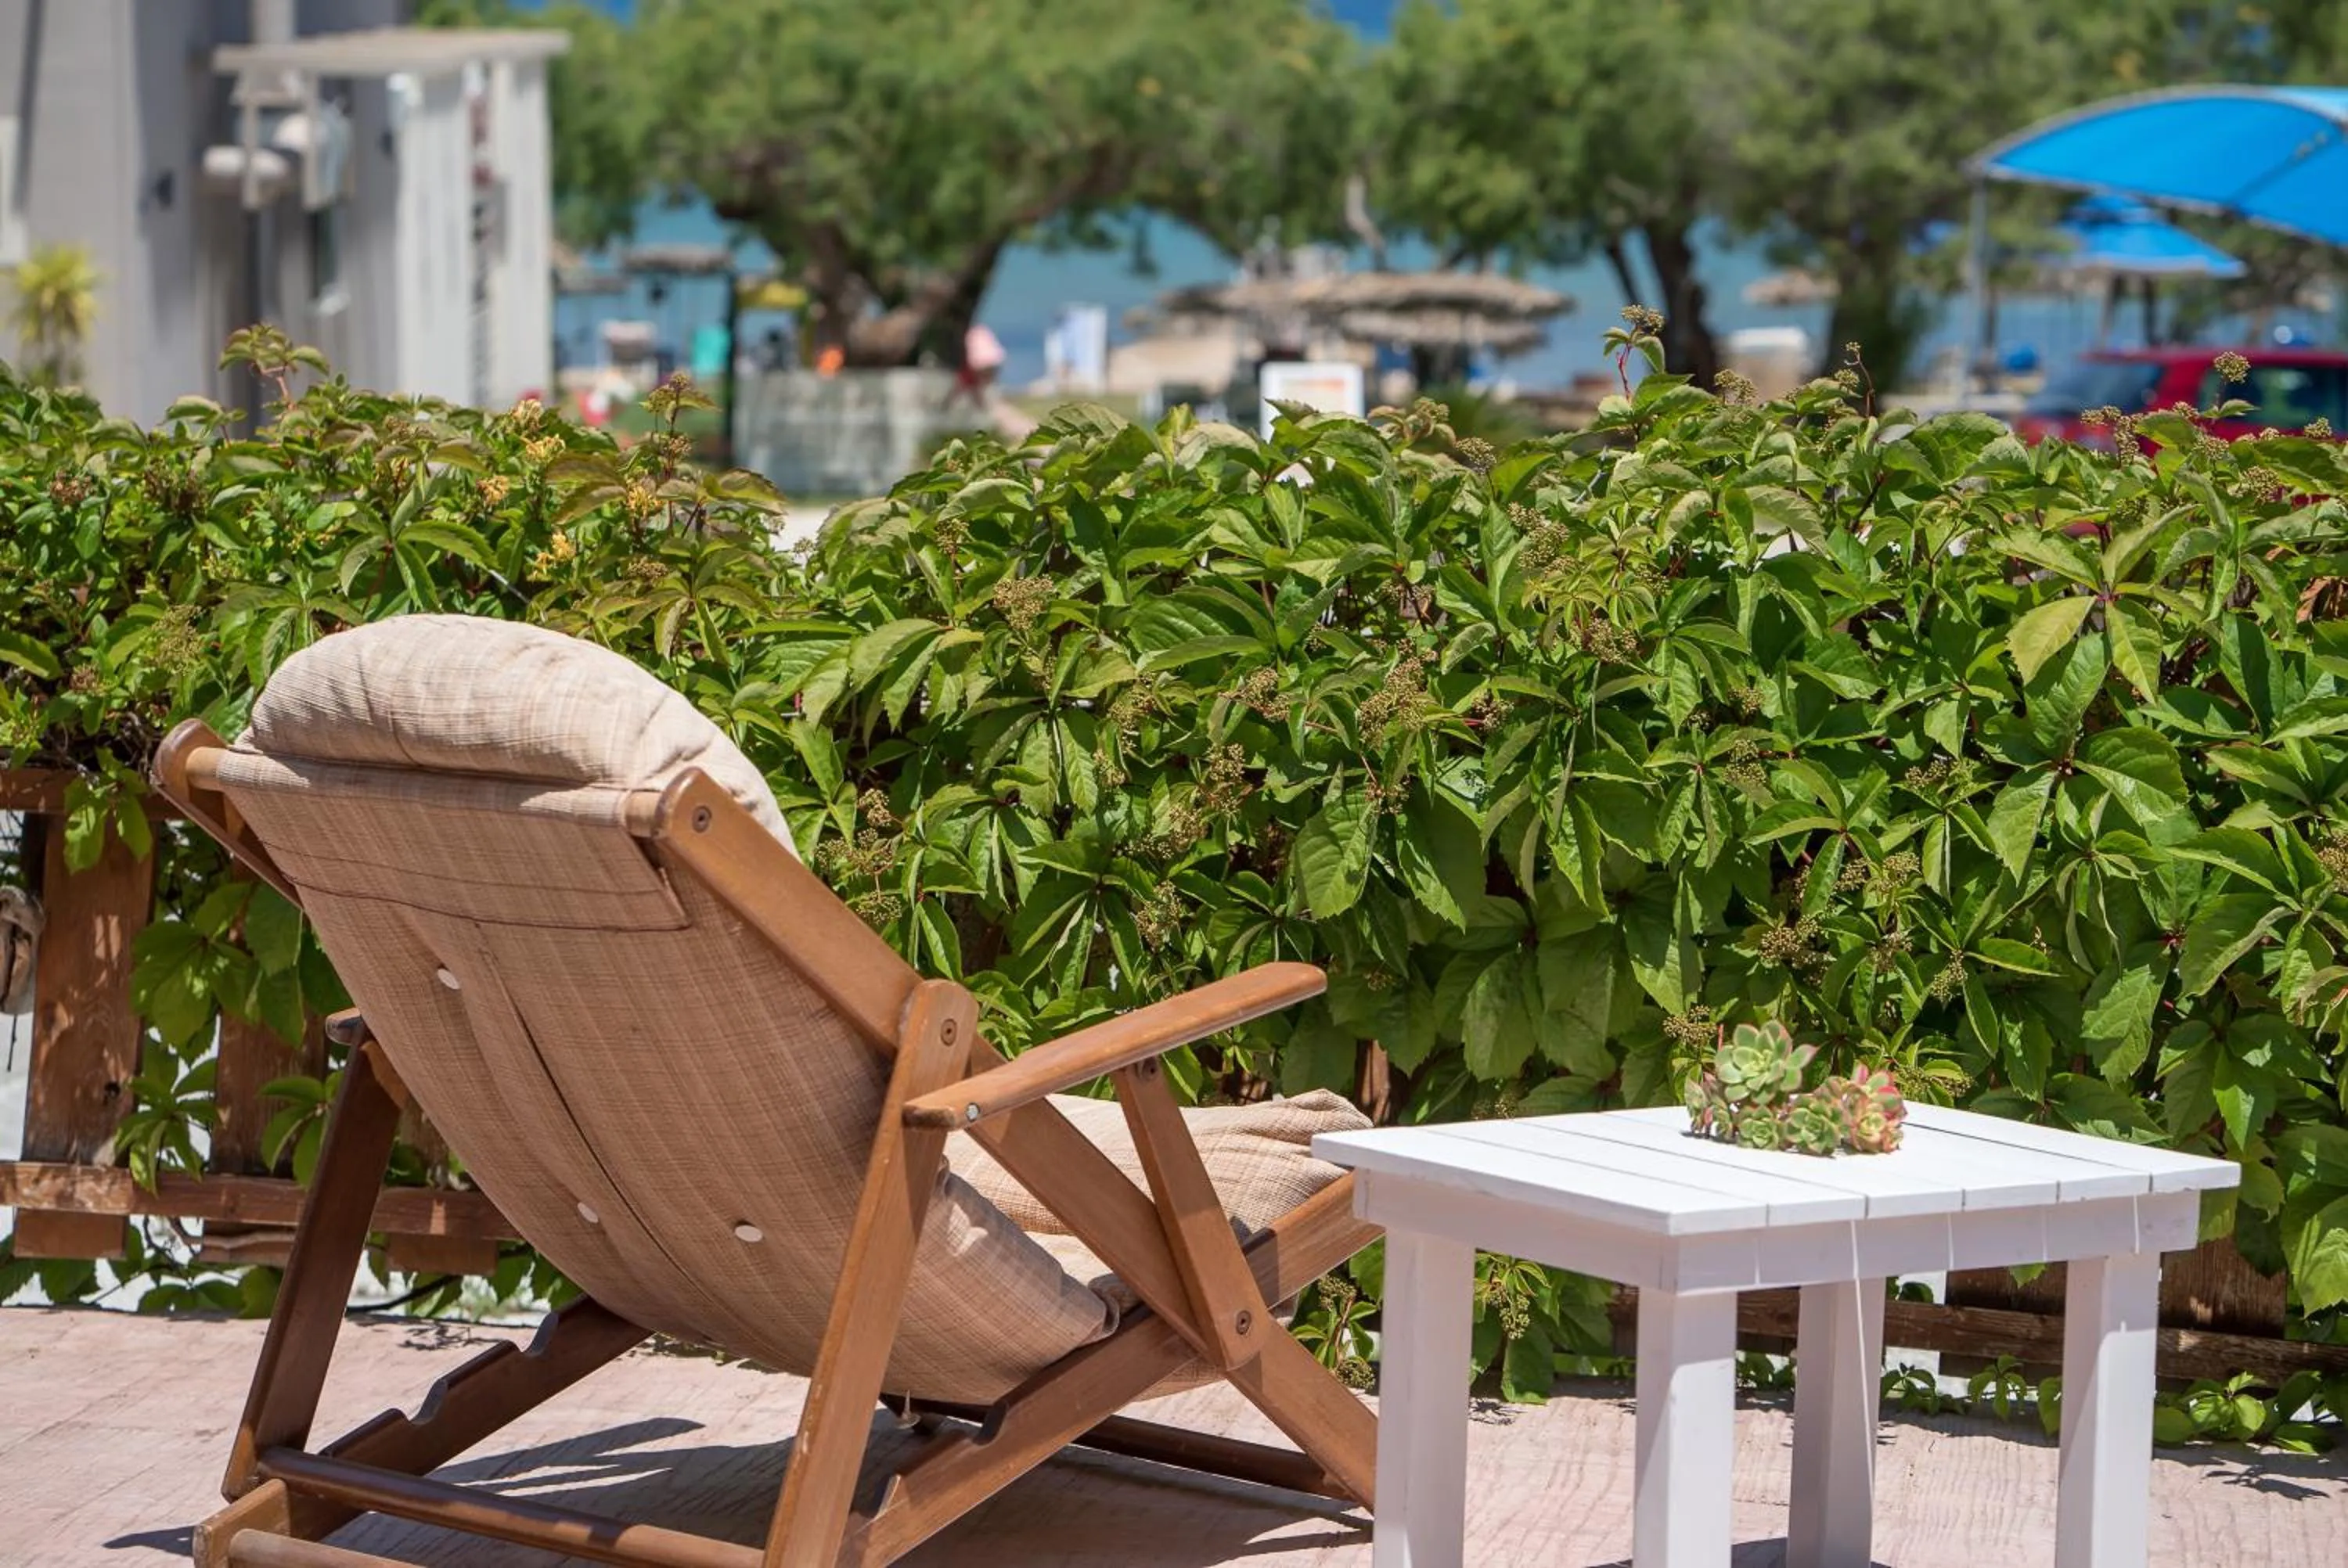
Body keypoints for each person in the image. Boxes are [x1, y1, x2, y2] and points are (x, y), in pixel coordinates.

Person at [944, 322, 1006, 412]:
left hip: (976, 366)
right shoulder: (980, 331)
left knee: (975, 391)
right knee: (975, 391)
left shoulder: (973, 334)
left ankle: (945, 409)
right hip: (981, 365)